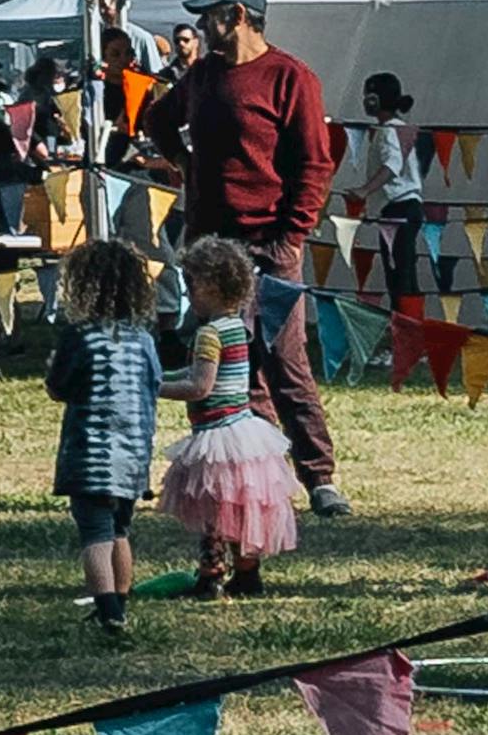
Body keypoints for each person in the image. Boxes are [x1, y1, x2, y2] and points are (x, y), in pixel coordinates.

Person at [159, 232, 304, 592]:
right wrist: (161, 375)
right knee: (241, 508)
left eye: (191, 287)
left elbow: (199, 386)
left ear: (211, 287)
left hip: (217, 436)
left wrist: (153, 387)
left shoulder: (209, 335)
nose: (188, 296)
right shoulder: (237, 328)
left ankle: (210, 575)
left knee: (215, 512)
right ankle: (247, 573)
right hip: (244, 432)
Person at [38, 240, 164, 628]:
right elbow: (155, 382)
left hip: (90, 456)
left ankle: (107, 610)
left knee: (95, 534)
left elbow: (60, 387)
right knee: (121, 531)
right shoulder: (143, 339)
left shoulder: (81, 336)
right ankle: (121, 603)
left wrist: (51, 371)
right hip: (132, 459)